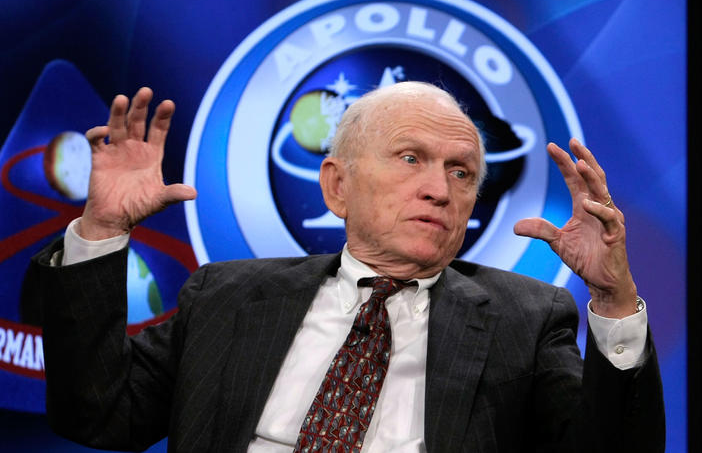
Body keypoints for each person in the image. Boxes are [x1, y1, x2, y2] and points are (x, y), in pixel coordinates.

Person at [32, 82, 664, 452]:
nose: (439, 190)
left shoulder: (524, 319)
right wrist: (102, 231)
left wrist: (613, 298)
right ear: (336, 187)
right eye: (410, 157)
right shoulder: (225, 295)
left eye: (461, 173)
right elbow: (97, 412)